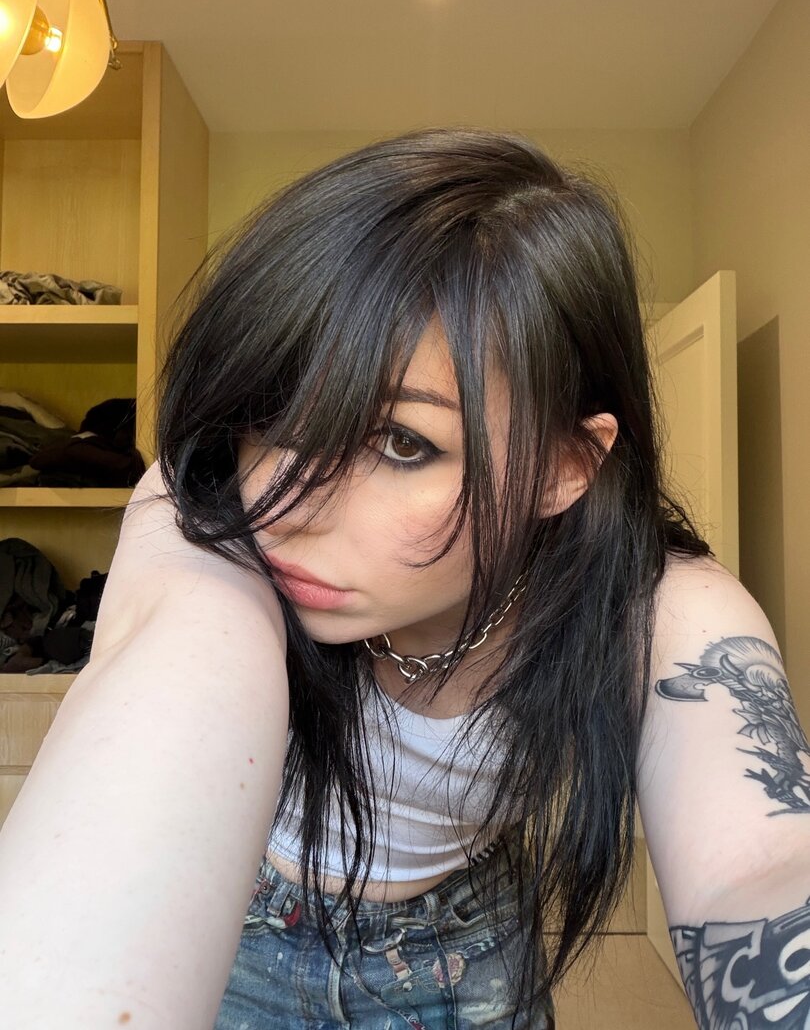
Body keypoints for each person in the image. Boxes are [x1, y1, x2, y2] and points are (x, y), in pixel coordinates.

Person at [0, 127, 807, 1030]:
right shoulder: (201, 512)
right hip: (233, 931)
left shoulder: (651, 607)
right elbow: (167, 705)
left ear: (564, 467)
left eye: (402, 442)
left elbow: (759, 867)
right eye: (272, 415)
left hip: (467, 952)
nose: (286, 506)